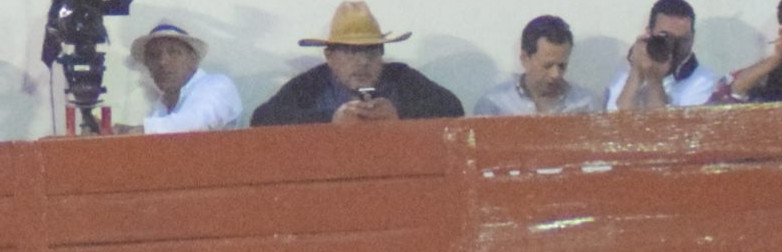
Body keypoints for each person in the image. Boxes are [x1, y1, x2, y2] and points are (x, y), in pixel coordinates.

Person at [250, 2, 465, 127]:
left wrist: (399, 114)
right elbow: (263, 119)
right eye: (351, 51)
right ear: (330, 57)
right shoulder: (313, 83)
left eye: (371, 50)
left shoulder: (400, 77)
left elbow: (452, 107)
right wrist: (331, 119)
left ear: (381, 53)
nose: (363, 61)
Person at [120, 21, 243, 133]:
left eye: (173, 52)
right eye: (154, 55)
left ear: (192, 59)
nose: (162, 62)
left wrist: (138, 131)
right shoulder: (160, 106)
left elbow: (196, 122)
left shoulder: (217, 85)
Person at [475, 16, 601, 115]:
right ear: (525, 59)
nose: (555, 74)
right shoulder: (495, 104)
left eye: (562, 66)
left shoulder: (587, 103)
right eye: (547, 66)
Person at [607, 0, 720, 110]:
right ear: (648, 33)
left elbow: (665, 125)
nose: (674, 46)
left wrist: (654, 79)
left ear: (692, 38)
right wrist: (637, 72)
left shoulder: (703, 81)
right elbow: (617, 121)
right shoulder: (624, 76)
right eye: (666, 37)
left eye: (682, 40)